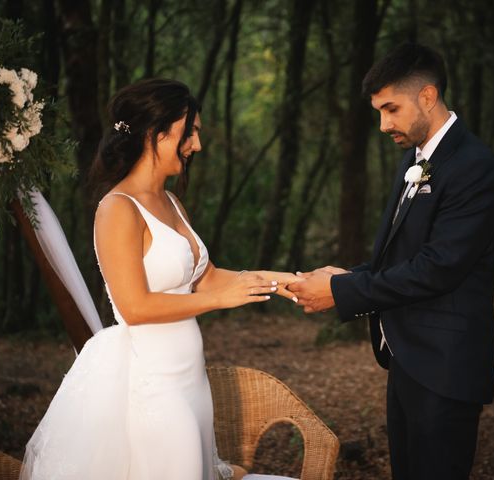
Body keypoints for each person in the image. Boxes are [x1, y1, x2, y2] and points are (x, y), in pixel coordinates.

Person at [20, 78, 299, 480]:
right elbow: (135, 307)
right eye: (191, 132)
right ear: (156, 133)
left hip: (191, 382)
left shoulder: (171, 201)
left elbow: (208, 278)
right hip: (152, 387)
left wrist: (286, 281)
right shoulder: (117, 209)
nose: (197, 145)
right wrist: (222, 300)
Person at [289, 43, 494, 479]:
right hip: (406, 357)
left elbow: (437, 268)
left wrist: (340, 292)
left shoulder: (474, 166)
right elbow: (398, 259)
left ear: (427, 96)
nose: (384, 124)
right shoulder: (414, 159)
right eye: (378, 112)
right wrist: (344, 276)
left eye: (391, 108)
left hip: (446, 368)